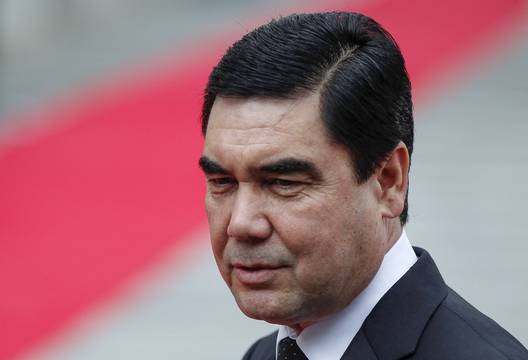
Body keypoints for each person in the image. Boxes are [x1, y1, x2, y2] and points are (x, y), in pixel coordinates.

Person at [198, 12, 528, 360]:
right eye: (222, 182)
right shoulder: (266, 353)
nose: (241, 223)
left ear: (388, 182)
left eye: (283, 183)